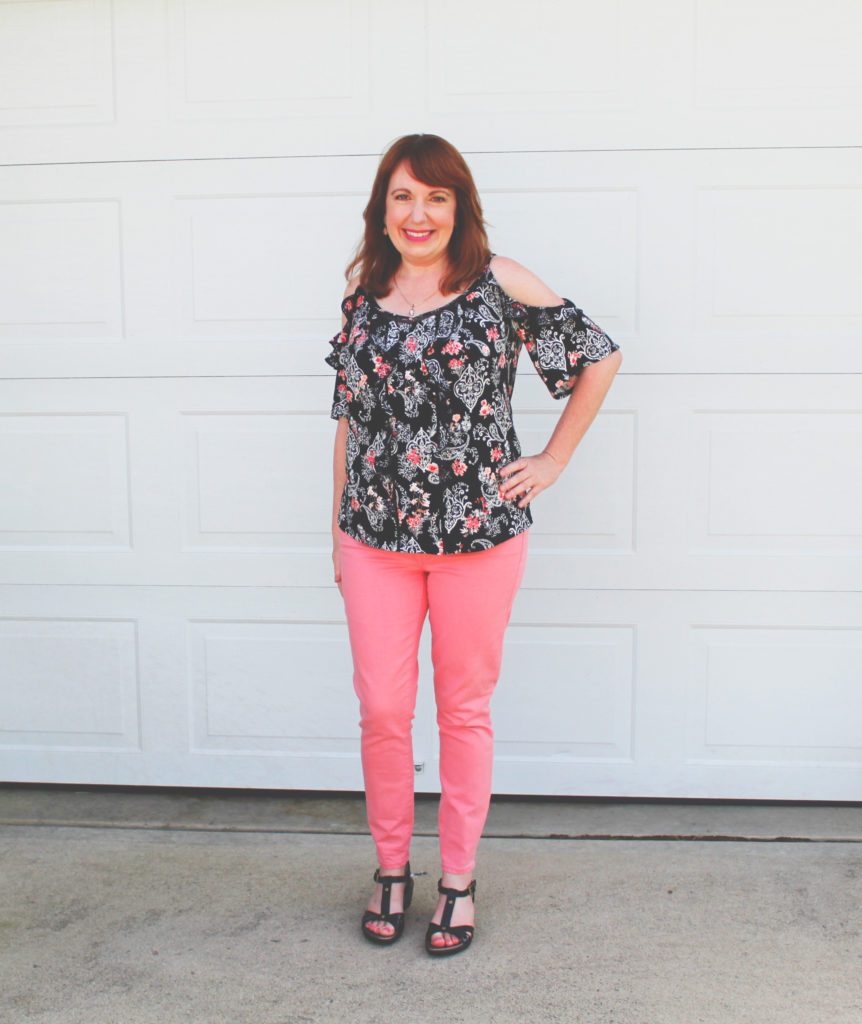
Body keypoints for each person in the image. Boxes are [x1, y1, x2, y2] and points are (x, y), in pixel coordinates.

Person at [326, 134, 621, 956]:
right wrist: (337, 537)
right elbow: (350, 421)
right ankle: (392, 868)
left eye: (436, 198)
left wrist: (554, 459)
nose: (418, 214)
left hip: (479, 539)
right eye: (402, 197)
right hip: (374, 540)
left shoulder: (498, 283)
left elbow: (599, 356)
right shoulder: (362, 295)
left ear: (460, 209)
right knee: (383, 710)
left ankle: (457, 879)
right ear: (381, 211)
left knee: (462, 710)